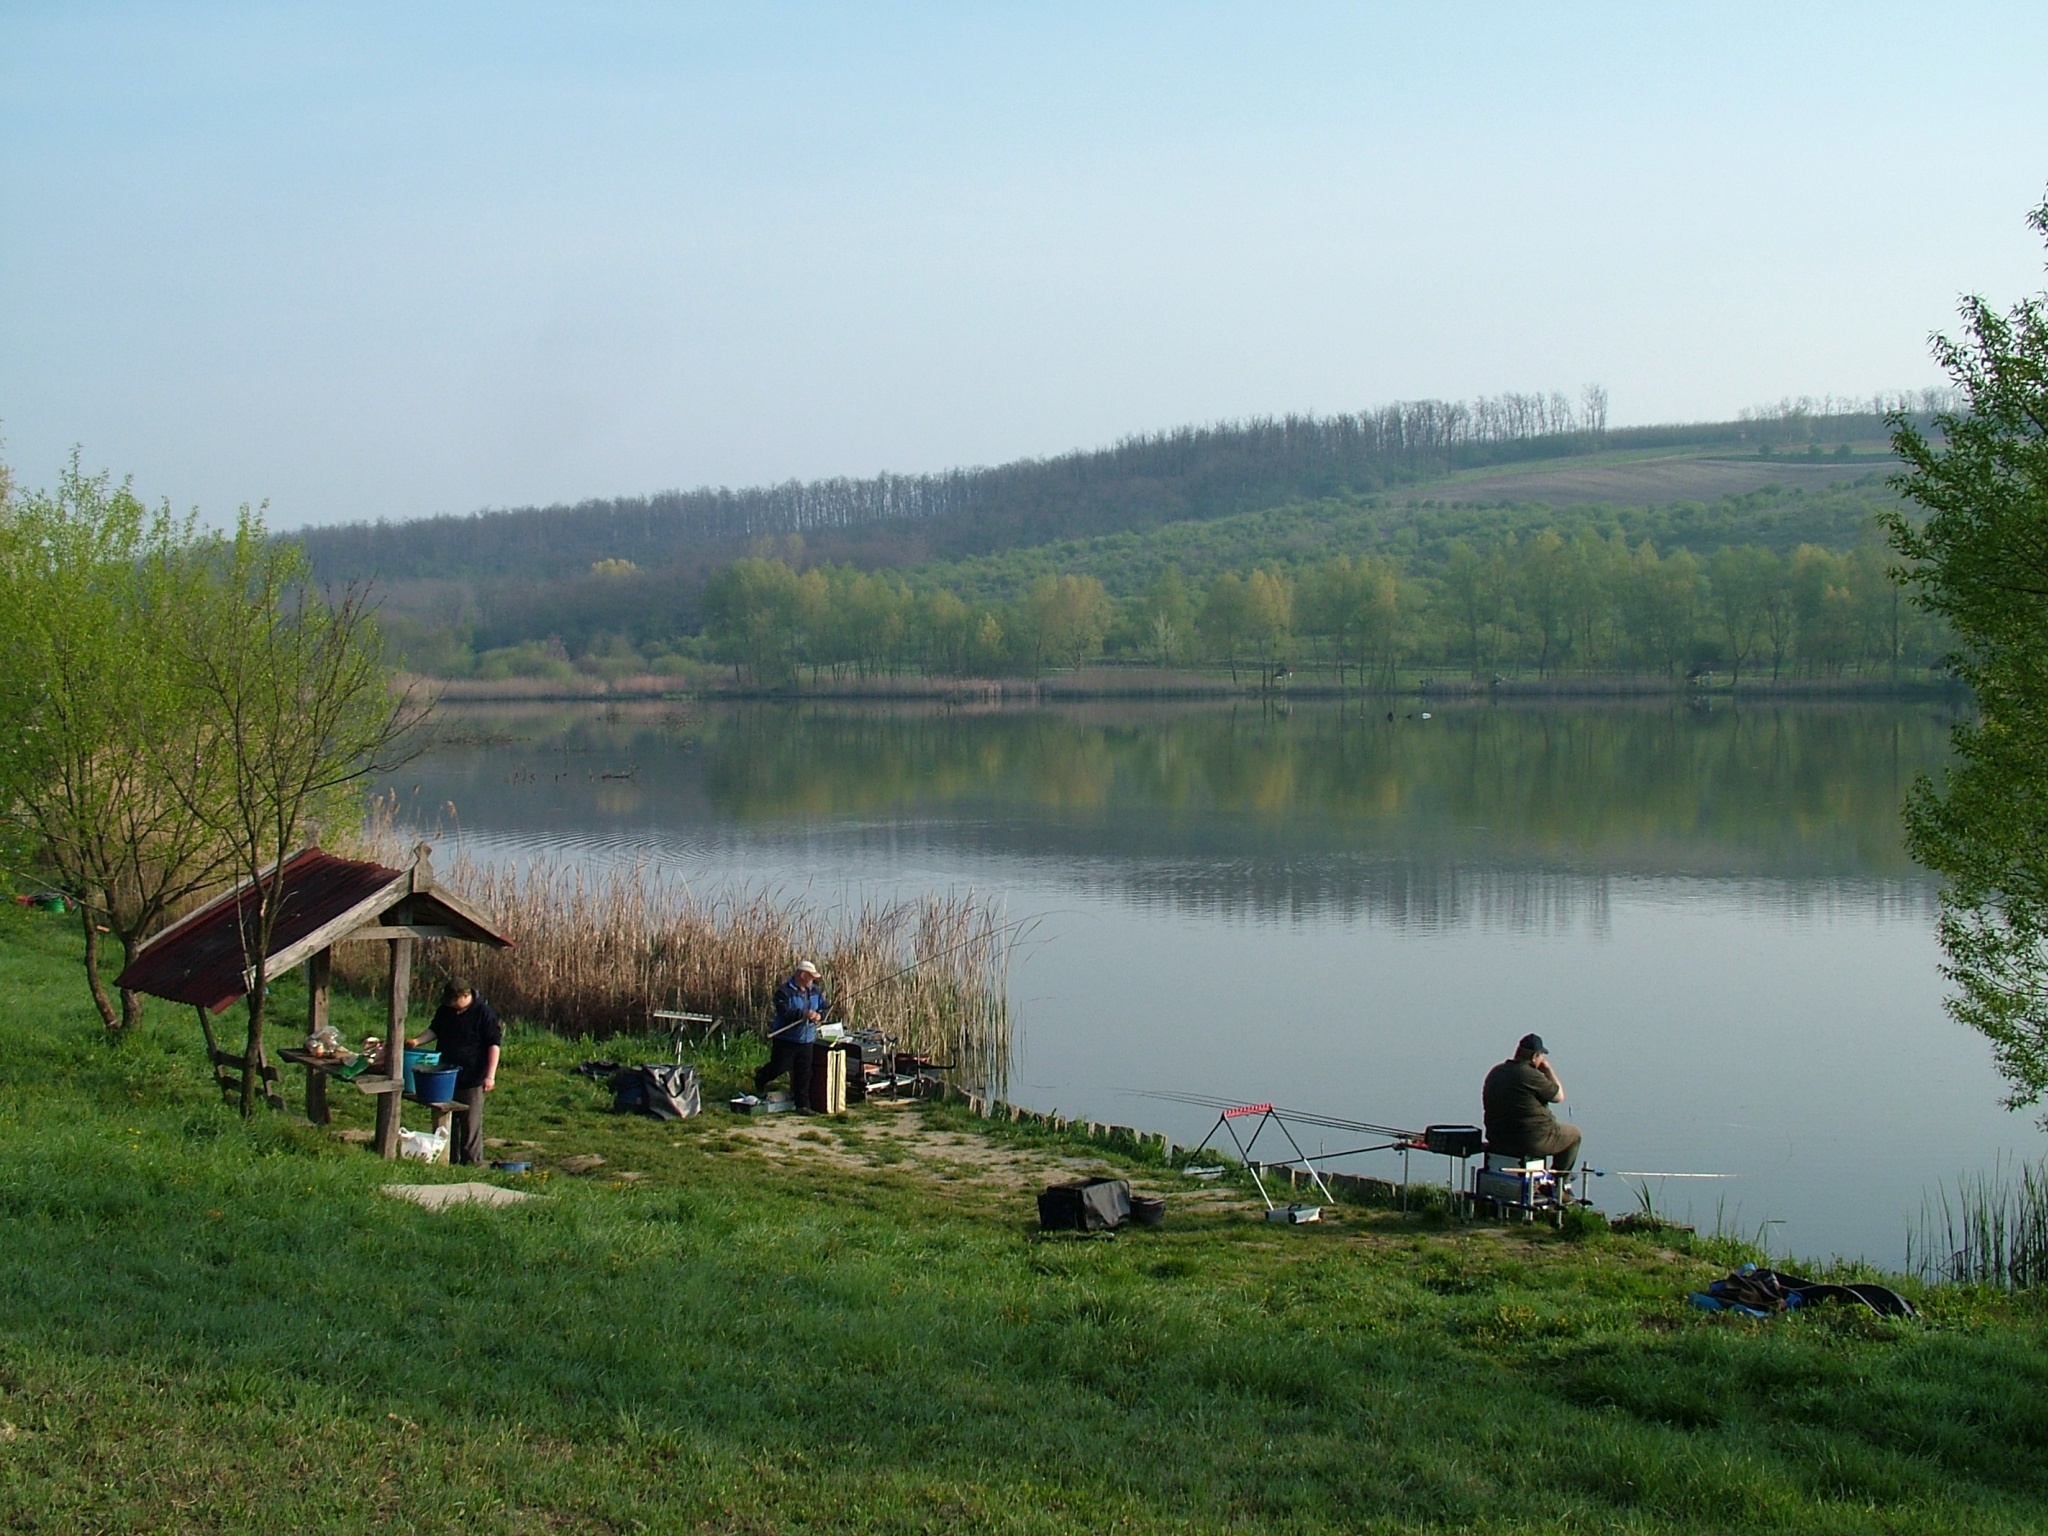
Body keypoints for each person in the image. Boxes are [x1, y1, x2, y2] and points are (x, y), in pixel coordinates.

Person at [407, 978, 501, 1165]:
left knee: (470, 1122)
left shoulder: (484, 1014)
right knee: (449, 1119)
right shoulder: (446, 1010)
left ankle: (473, 1162)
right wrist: (417, 1041)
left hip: (473, 1076)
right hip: (446, 1073)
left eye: (454, 1001)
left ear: (466, 996)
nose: (451, 1005)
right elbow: (435, 1030)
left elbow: (494, 1045)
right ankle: (449, 1158)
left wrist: (490, 1076)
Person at [1481, 1032, 1581, 1170]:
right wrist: (1547, 1070)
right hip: (1531, 1141)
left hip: (1498, 1139)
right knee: (1574, 1135)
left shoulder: (1496, 1072)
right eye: (1541, 1056)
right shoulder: (1530, 1075)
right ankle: (1558, 1181)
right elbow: (1559, 1096)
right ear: (1535, 1057)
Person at [756, 960, 827, 1112]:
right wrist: (804, 1014)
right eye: (811, 976)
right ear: (802, 975)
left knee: (804, 1072)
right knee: (779, 1066)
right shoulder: (784, 991)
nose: (813, 980)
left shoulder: (816, 991)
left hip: (807, 1039)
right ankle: (761, 1077)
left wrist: (819, 1016)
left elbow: (824, 1007)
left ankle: (802, 1105)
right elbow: (785, 1012)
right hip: (786, 1038)